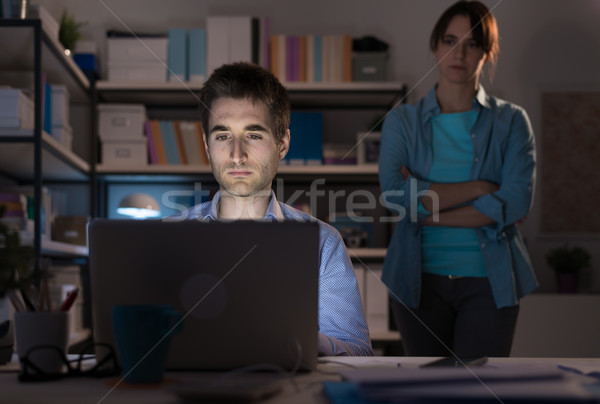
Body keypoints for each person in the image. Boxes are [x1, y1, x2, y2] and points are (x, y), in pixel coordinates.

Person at [172, 62, 373, 356]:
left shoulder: (322, 242)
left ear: (282, 143)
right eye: (223, 136)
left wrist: (298, 339)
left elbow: (358, 352)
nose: (237, 155)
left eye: (253, 135)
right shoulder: (168, 236)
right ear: (206, 145)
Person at [378, 0, 537, 357]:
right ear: (435, 46)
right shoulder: (403, 122)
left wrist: (426, 209)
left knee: (478, 393)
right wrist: (481, 190)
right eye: (450, 40)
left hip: (490, 284)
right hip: (417, 282)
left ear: (488, 52)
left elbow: (514, 202)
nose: (459, 53)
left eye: (472, 43)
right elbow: (393, 194)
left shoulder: (512, 122)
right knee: (428, 393)